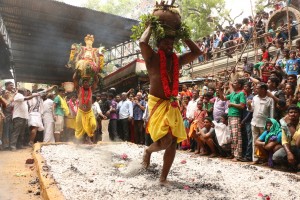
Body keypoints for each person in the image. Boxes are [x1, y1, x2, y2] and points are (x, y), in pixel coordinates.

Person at [139, 23, 201, 183]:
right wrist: (151, 26)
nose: (169, 46)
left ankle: (163, 178)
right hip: (157, 103)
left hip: (172, 102)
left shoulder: (177, 60)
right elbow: (142, 43)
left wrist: (184, 34)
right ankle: (148, 151)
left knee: (173, 142)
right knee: (165, 139)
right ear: (158, 44)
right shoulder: (152, 58)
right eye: (166, 43)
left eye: (172, 44)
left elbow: (197, 52)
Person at [219, 79, 246, 161]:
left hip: (236, 116)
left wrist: (232, 104)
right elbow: (223, 98)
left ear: (239, 85)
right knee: (232, 136)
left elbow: (242, 106)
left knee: (236, 136)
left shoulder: (241, 94)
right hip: (230, 116)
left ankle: (238, 155)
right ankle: (234, 154)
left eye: (235, 83)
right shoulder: (233, 93)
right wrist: (219, 90)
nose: (233, 84)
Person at [248, 83, 274, 164]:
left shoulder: (270, 100)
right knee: (255, 141)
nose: (255, 90)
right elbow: (251, 110)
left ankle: (265, 159)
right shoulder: (255, 98)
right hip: (254, 122)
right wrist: (249, 105)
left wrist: (270, 125)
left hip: (264, 125)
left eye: (257, 88)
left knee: (265, 142)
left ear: (263, 89)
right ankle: (256, 159)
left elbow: (271, 114)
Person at [73, 72, 99, 144]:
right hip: (81, 111)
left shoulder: (92, 89)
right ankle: (79, 140)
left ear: (89, 84)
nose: (86, 84)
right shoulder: (79, 89)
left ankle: (88, 137)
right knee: (79, 126)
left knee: (93, 124)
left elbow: (96, 81)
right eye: (85, 82)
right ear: (83, 84)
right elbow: (74, 79)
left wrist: (95, 73)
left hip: (89, 112)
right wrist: (76, 71)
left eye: (87, 83)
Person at [273, 105, 300, 171]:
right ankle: (292, 167)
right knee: (276, 156)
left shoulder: (289, 124)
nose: (293, 114)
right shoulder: (284, 125)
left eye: (295, 112)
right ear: (287, 114)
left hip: (299, 147)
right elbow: (284, 141)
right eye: (291, 112)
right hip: (292, 147)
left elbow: (298, 141)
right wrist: (288, 153)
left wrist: (289, 124)